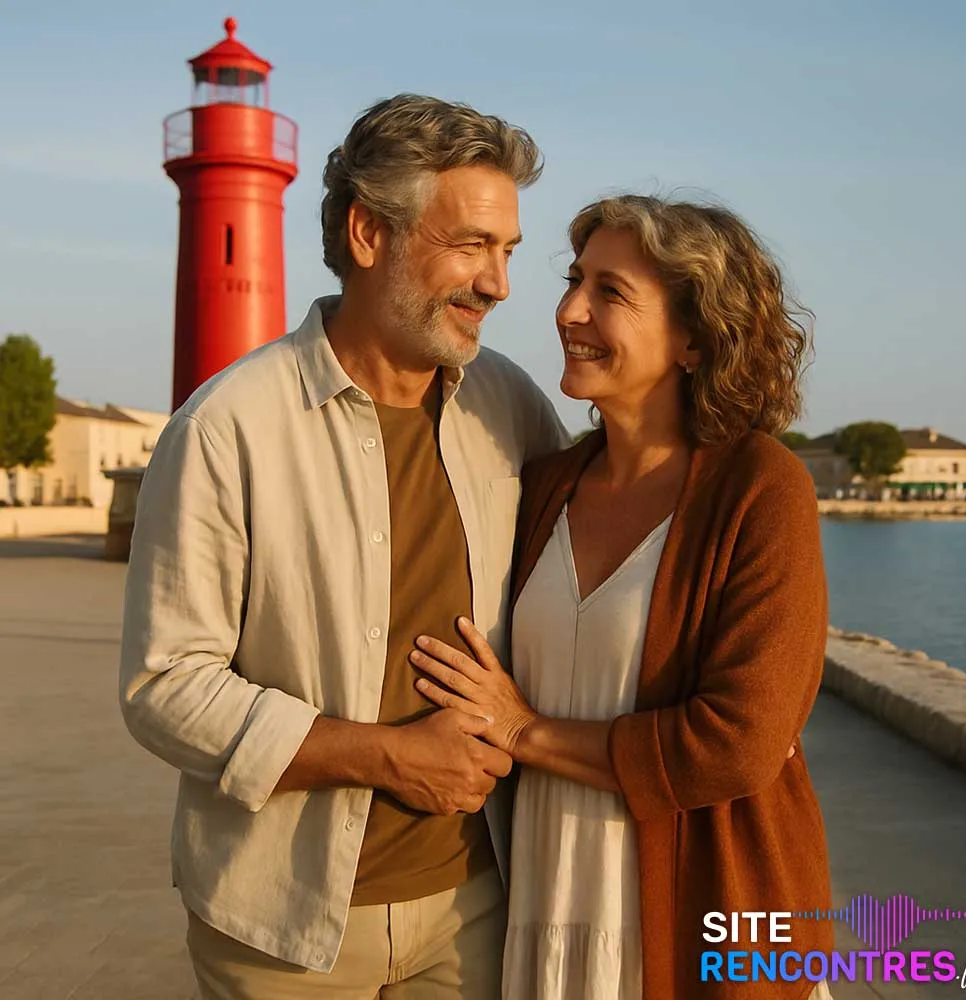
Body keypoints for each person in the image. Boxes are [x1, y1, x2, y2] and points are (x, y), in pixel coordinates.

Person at [118, 94, 567, 999]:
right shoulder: (224, 428)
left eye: (509, 251)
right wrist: (391, 755)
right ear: (369, 233)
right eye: (471, 245)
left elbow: (583, 586)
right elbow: (164, 687)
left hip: (479, 903)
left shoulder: (512, 408)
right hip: (279, 924)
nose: (499, 284)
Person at [410, 195, 836, 1000]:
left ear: (693, 337)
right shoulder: (546, 484)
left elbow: (737, 745)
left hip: (700, 919)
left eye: (610, 292)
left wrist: (524, 731)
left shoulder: (760, 487)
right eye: (575, 281)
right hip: (546, 905)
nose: (569, 310)